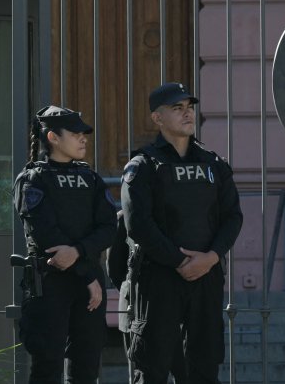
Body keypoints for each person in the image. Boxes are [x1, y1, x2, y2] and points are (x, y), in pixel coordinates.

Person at [121, 82, 243, 384]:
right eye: (177, 108)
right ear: (157, 118)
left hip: (206, 276)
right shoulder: (144, 165)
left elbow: (232, 217)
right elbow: (138, 224)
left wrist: (211, 257)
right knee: (153, 366)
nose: (187, 113)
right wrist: (178, 261)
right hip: (159, 277)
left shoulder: (214, 163)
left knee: (203, 366)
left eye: (189, 107)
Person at [12, 105, 117, 384]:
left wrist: (81, 255)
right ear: (53, 138)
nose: (83, 138)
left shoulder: (90, 178)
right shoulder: (32, 179)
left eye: (84, 133)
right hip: (51, 284)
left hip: (89, 284)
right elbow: (45, 235)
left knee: (86, 368)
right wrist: (86, 274)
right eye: (75, 133)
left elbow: (109, 227)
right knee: (47, 367)